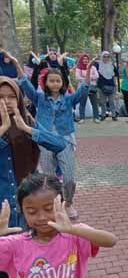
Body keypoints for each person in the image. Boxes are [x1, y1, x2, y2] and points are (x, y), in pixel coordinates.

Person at [0, 76, 66, 278]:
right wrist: (3, 130)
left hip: (27, 201)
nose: (7, 101)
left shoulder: (26, 120)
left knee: (29, 250)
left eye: (11, 96)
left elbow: (59, 144)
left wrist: (26, 128)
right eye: (1, 97)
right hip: (2, 202)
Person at [11, 51, 87, 219]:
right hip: (44, 140)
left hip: (65, 139)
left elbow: (83, 91)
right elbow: (25, 84)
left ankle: (68, 202)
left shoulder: (68, 100)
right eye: (51, 81)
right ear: (46, 82)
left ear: (62, 83)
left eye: (57, 81)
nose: (54, 84)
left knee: (69, 178)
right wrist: (17, 63)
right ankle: (55, 205)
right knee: (50, 177)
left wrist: (87, 72)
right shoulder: (40, 98)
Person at [93, 51, 119, 121]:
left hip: (111, 86)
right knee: (102, 102)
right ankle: (103, 115)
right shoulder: (98, 65)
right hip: (101, 86)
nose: (106, 58)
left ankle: (114, 115)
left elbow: (115, 75)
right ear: (102, 57)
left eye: (108, 56)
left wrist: (115, 85)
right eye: (104, 56)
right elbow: (93, 71)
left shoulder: (112, 65)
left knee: (112, 102)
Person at [75, 54, 99, 124]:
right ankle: (82, 118)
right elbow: (77, 78)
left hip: (92, 86)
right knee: (82, 102)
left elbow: (97, 76)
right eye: (84, 59)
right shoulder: (78, 68)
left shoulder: (93, 67)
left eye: (87, 59)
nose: (85, 60)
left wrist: (86, 77)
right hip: (83, 87)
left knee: (94, 102)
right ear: (81, 60)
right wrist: (89, 78)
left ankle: (96, 117)